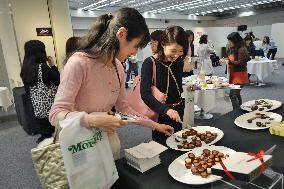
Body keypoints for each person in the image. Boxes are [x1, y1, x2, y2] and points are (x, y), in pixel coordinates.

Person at [49, 8, 174, 155]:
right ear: (121, 34)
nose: (135, 53)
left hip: (106, 142)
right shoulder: (79, 63)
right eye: (135, 46)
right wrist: (90, 120)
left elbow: (124, 109)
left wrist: (154, 125)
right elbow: (55, 114)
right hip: (80, 146)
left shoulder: (118, 67)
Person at [140, 26, 188, 144]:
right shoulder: (150, 63)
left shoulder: (178, 61)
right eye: (173, 51)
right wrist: (166, 110)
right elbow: (145, 94)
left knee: (178, 143)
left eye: (181, 51)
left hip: (178, 109)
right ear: (163, 44)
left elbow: (176, 85)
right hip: (160, 113)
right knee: (162, 147)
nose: (177, 55)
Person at [20, 40, 60, 143]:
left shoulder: (26, 69)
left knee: (46, 136)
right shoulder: (43, 68)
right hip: (49, 109)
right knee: (54, 137)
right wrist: (53, 66)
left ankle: (44, 140)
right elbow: (58, 80)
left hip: (36, 108)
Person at [220, 32, 248, 110]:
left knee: (233, 94)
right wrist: (226, 60)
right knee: (237, 94)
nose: (229, 43)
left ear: (235, 41)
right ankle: (239, 111)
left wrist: (228, 61)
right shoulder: (234, 48)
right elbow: (232, 59)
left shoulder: (242, 49)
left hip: (240, 76)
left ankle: (236, 112)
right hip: (235, 74)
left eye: (230, 41)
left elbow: (240, 63)